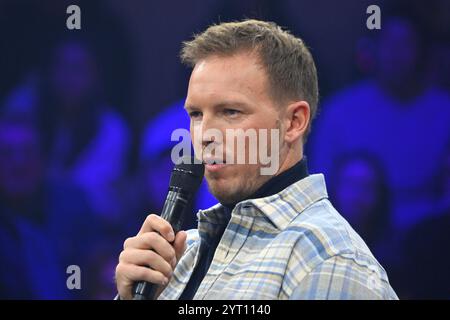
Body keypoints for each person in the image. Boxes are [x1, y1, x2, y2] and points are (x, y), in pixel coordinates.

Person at [115, 19, 398, 300]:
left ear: (293, 122)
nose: (205, 135)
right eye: (196, 115)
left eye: (230, 112)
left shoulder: (331, 260)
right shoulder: (177, 256)